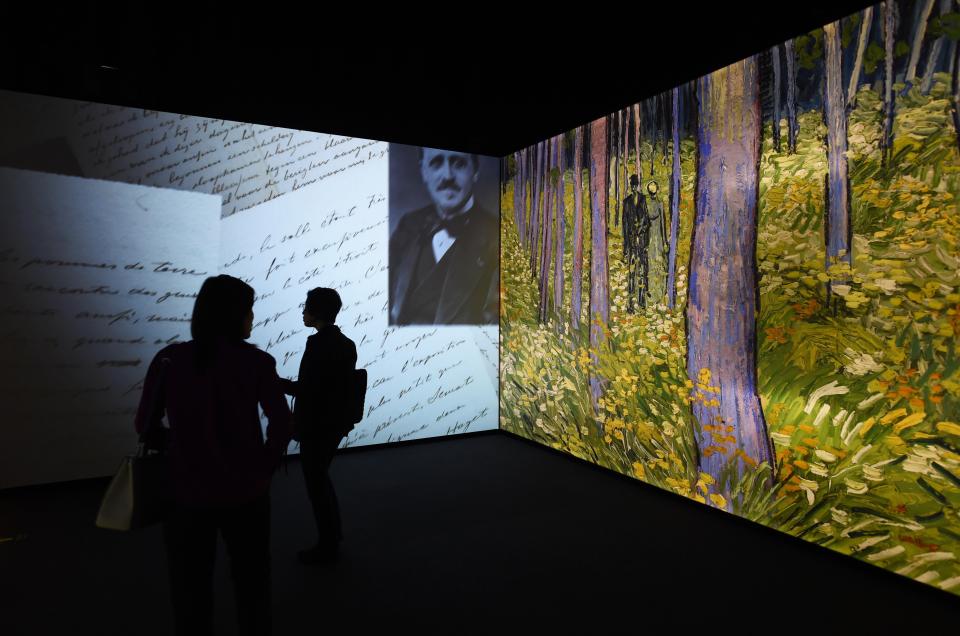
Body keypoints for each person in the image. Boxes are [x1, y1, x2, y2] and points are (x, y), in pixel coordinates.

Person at [135, 274, 292, 636]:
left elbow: (145, 424)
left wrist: (179, 446)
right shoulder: (257, 362)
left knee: (190, 588)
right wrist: (264, 466)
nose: (253, 318)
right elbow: (282, 424)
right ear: (234, 314)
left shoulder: (168, 359)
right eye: (249, 310)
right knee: (252, 582)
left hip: (184, 493)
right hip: (246, 493)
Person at [280, 287, 357, 565]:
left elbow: (310, 390)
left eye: (306, 307)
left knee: (316, 483)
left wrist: (276, 383)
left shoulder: (317, 344)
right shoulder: (347, 344)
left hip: (317, 426)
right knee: (321, 479)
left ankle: (328, 544)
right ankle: (332, 538)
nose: (302, 312)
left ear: (316, 312)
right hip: (335, 425)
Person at [388, 147, 498, 325]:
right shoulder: (408, 226)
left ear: (475, 171)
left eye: (459, 164)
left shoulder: (497, 237)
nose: (447, 176)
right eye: (436, 163)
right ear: (424, 172)